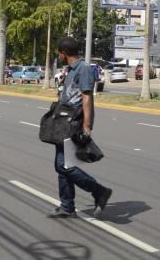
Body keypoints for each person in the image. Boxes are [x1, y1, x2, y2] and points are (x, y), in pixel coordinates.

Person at [47, 37, 112, 218]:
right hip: (65, 121)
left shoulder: (83, 69)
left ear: (64, 53)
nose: (58, 56)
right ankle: (67, 206)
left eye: (59, 53)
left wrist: (87, 125)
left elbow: (87, 97)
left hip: (75, 122)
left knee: (63, 165)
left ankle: (99, 191)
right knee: (62, 164)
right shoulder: (71, 69)